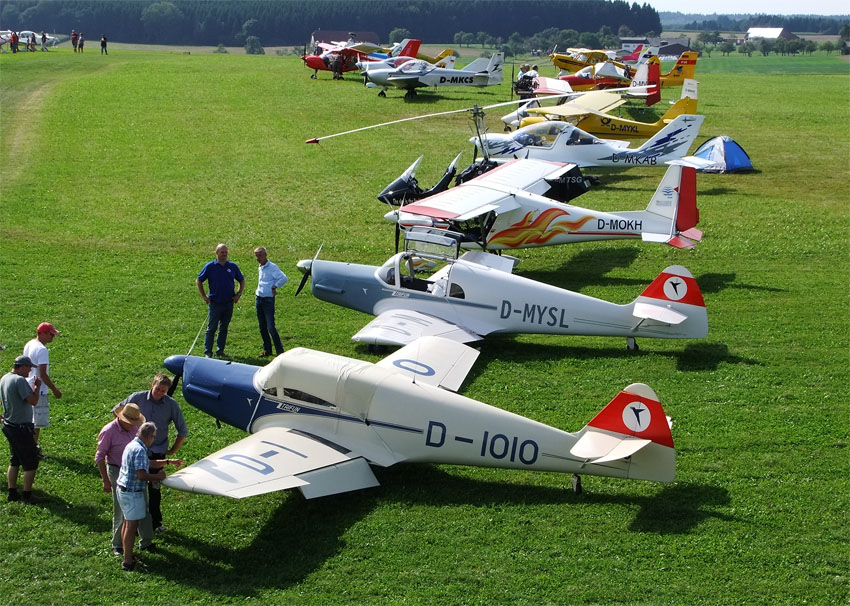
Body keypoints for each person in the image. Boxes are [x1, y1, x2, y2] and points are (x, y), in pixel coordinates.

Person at [121, 374, 187, 534]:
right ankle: (132, 523)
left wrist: (171, 450)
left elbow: (182, 430)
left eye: (163, 391)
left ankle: (155, 522)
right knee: (135, 487)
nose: (159, 393)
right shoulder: (137, 398)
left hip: (157, 452)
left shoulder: (171, 405)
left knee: (155, 490)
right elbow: (118, 412)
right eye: (157, 389)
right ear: (152, 385)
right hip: (137, 451)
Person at [117, 421, 181, 571]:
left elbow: (146, 463)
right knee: (131, 526)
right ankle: (127, 561)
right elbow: (141, 474)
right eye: (154, 437)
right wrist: (158, 477)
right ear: (148, 436)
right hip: (133, 493)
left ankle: (126, 554)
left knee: (127, 524)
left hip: (124, 490)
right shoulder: (139, 450)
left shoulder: (132, 445)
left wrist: (166, 462)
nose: (154, 440)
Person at [95, 403, 156, 557]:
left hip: (134, 469)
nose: (133, 426)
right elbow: (100, 457)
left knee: (144, 505)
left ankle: (146, 541)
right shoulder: (109, 431)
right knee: (121, 509)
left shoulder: (135, 430)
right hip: (117, 470)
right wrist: (106, 480)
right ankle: (117, 545)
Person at [1, 356, 44, 503]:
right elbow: (33, 401)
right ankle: (27, 494)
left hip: (9, 425)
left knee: (15, 460)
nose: (30, 370)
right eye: (29, 367)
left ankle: (12, 492)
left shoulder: (5, 378)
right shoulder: (19, 381)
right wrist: (37, 387)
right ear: (22, 367)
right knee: (31, 461)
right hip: (21, 428)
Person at [196, 243, 245, 358]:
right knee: (211, 328)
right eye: (222, 252)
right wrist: (204, 296)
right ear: (217, 253)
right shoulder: (210, 267)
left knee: (224, 327)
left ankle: (220, 350)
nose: (224, 254)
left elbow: (241, 281)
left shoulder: (232, 266)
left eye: (226, 252)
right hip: (215, 303)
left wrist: (238, 294)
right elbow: (199, 281)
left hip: (228, 303)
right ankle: (208, 351)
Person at [22, 322, 62, 455]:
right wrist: (55, 390)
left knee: (29, 419)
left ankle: (28, 447)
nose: (53, 337)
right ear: (43, 334)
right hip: (39, 389)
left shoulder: (29, 344)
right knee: (37, 423)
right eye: (51, 334)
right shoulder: (42, 350)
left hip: (28, 386)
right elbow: (43, 374)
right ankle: (32, 450)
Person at [253, 247, 288, 357]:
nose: (258, 258)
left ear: (265, 255)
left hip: (268, 299)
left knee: (270, 327)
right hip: (259, 298)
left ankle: (280, 351)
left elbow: (284, 278)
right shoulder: (260, 267)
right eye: (256, 256)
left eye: (260, 255)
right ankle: (267, 350)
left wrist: (275, 286)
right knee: (262, 326)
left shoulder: (272, 267)